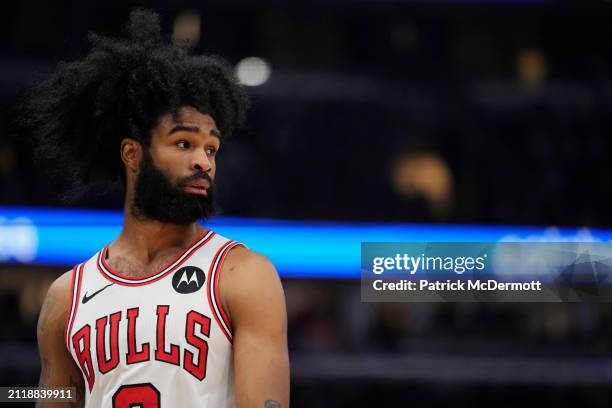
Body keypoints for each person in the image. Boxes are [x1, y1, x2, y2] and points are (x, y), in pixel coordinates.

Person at [25, 9, 289, 408]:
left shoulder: (242, 275)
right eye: (184, 144)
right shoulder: (66, 297)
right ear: (133, 154)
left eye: (211, 148)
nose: (205, 162)